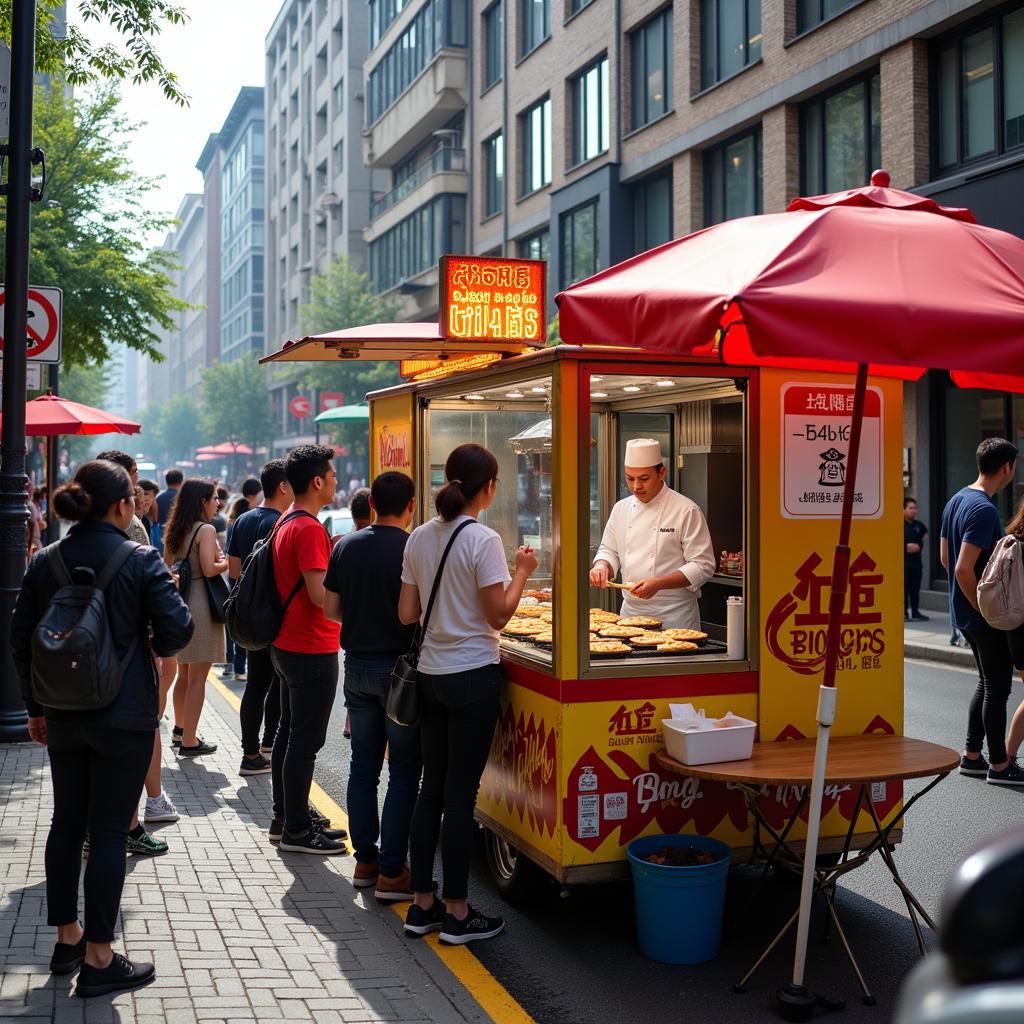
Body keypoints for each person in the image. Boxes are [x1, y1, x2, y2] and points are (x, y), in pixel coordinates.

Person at [11, 460, 193, 997]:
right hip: (125, 714)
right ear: (121, 506)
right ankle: (99, 957)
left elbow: (21, 638)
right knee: (109, 831)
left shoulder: (46, 560)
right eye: (134, 497)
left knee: (67, 822)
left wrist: (34, 707)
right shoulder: (140, 559)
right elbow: (178, 632)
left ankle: (67, 938)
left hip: (63, 714)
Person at [398, 443, 537, 944]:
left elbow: (406, 615)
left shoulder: (418, 538)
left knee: (429, 790)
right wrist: (523, 570)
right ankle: (456, 913)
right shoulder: (483, 539)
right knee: (460, 797)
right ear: (489, 487)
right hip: (473, 677)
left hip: (432, 676)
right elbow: (499, 615)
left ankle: (422, 905)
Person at [325, 471, 420, 899]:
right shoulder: (412, 546)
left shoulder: (345, 544)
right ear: (412, 505)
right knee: (402, 770)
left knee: (362, 765)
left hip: (357, 666)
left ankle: (365, 860)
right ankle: (392, 870)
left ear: (372, 505)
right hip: (400, 673)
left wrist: (361, 623)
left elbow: (331, 609)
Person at [95, 450, 177, 848]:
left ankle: (97, 829)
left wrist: (37, 707)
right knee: (133, 741)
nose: (138, 489)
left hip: (78, 671)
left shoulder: (53, 554)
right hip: (128, 661)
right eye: (133, 478)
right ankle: (128, 826)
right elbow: (171, 620)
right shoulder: (137, 539)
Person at [269, 445, 348, 853]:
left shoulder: (289, 519)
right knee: (305, 739)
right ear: (317, 481)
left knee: (288, 732)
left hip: (287, 644)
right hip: (310, 648)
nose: (335, 481)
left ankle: (287, 815)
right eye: (332, 475)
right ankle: (297, 829)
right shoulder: (309, 528)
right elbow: (321, 597)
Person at [940, 437, 1024, 786]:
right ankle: (1000, 766)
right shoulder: (984, 509)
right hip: (981, 615)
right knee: (997, 689)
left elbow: (946, 559)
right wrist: (986, 610)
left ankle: (972, 756)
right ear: (1007, 467)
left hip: (962, 614)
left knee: (985, 683)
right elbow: (962, 568)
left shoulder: (956, 499)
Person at [590, 438, 716, 630]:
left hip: (675, 617)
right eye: (630, 478)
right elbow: (609, 549)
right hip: (630, 616)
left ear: (661, 472)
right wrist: (602, 565)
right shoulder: (621, 508)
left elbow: (703, 565)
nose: (636, 487)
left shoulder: (686, 510)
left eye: (644, 478)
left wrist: (658, 584)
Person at [227, 459, 292, 777]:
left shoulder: (241, 520)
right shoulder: (283, 522)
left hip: (248, 616)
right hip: (276, 618)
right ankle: (268, 745)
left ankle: (250, 752)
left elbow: (235, 570)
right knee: (279, 684)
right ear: (283, 486)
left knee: (255, 684)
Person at [163, 479, 228, 756]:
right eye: (214, 498)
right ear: (202, 501)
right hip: (201, 604)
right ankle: (190, 740)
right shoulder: (206, 529)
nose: (218, 503)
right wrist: (224, 561)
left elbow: (165, 568)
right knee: (198, 677)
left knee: (184, 673)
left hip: (180, 604)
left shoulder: (175, 530)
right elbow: (209, 568)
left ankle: (180, 730)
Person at [221, 497, 251, 682]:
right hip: (238, 582)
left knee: (232, 626)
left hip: (232, 583)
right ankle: (238, 667)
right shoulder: (241, 525)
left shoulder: (232, 524)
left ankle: (231, 663)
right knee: (239, 627)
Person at [904, 497, 929, 622]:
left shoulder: (919, 526)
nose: (914, 511)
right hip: (904, 564)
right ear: (903, 510)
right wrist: (905, 547)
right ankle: (904, 613)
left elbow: (921, 542)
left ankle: (915, 612)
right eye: (910, 508)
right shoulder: (899, 526)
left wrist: (916, 546)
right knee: (904, 589)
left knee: (915, 589)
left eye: (915, 508)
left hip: (916, 564)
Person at [153, 469, 184, 553]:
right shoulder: (184, 498)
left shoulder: (158, 498)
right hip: (180, 540)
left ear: (166, 481)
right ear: (181, 481)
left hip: (161, 539)